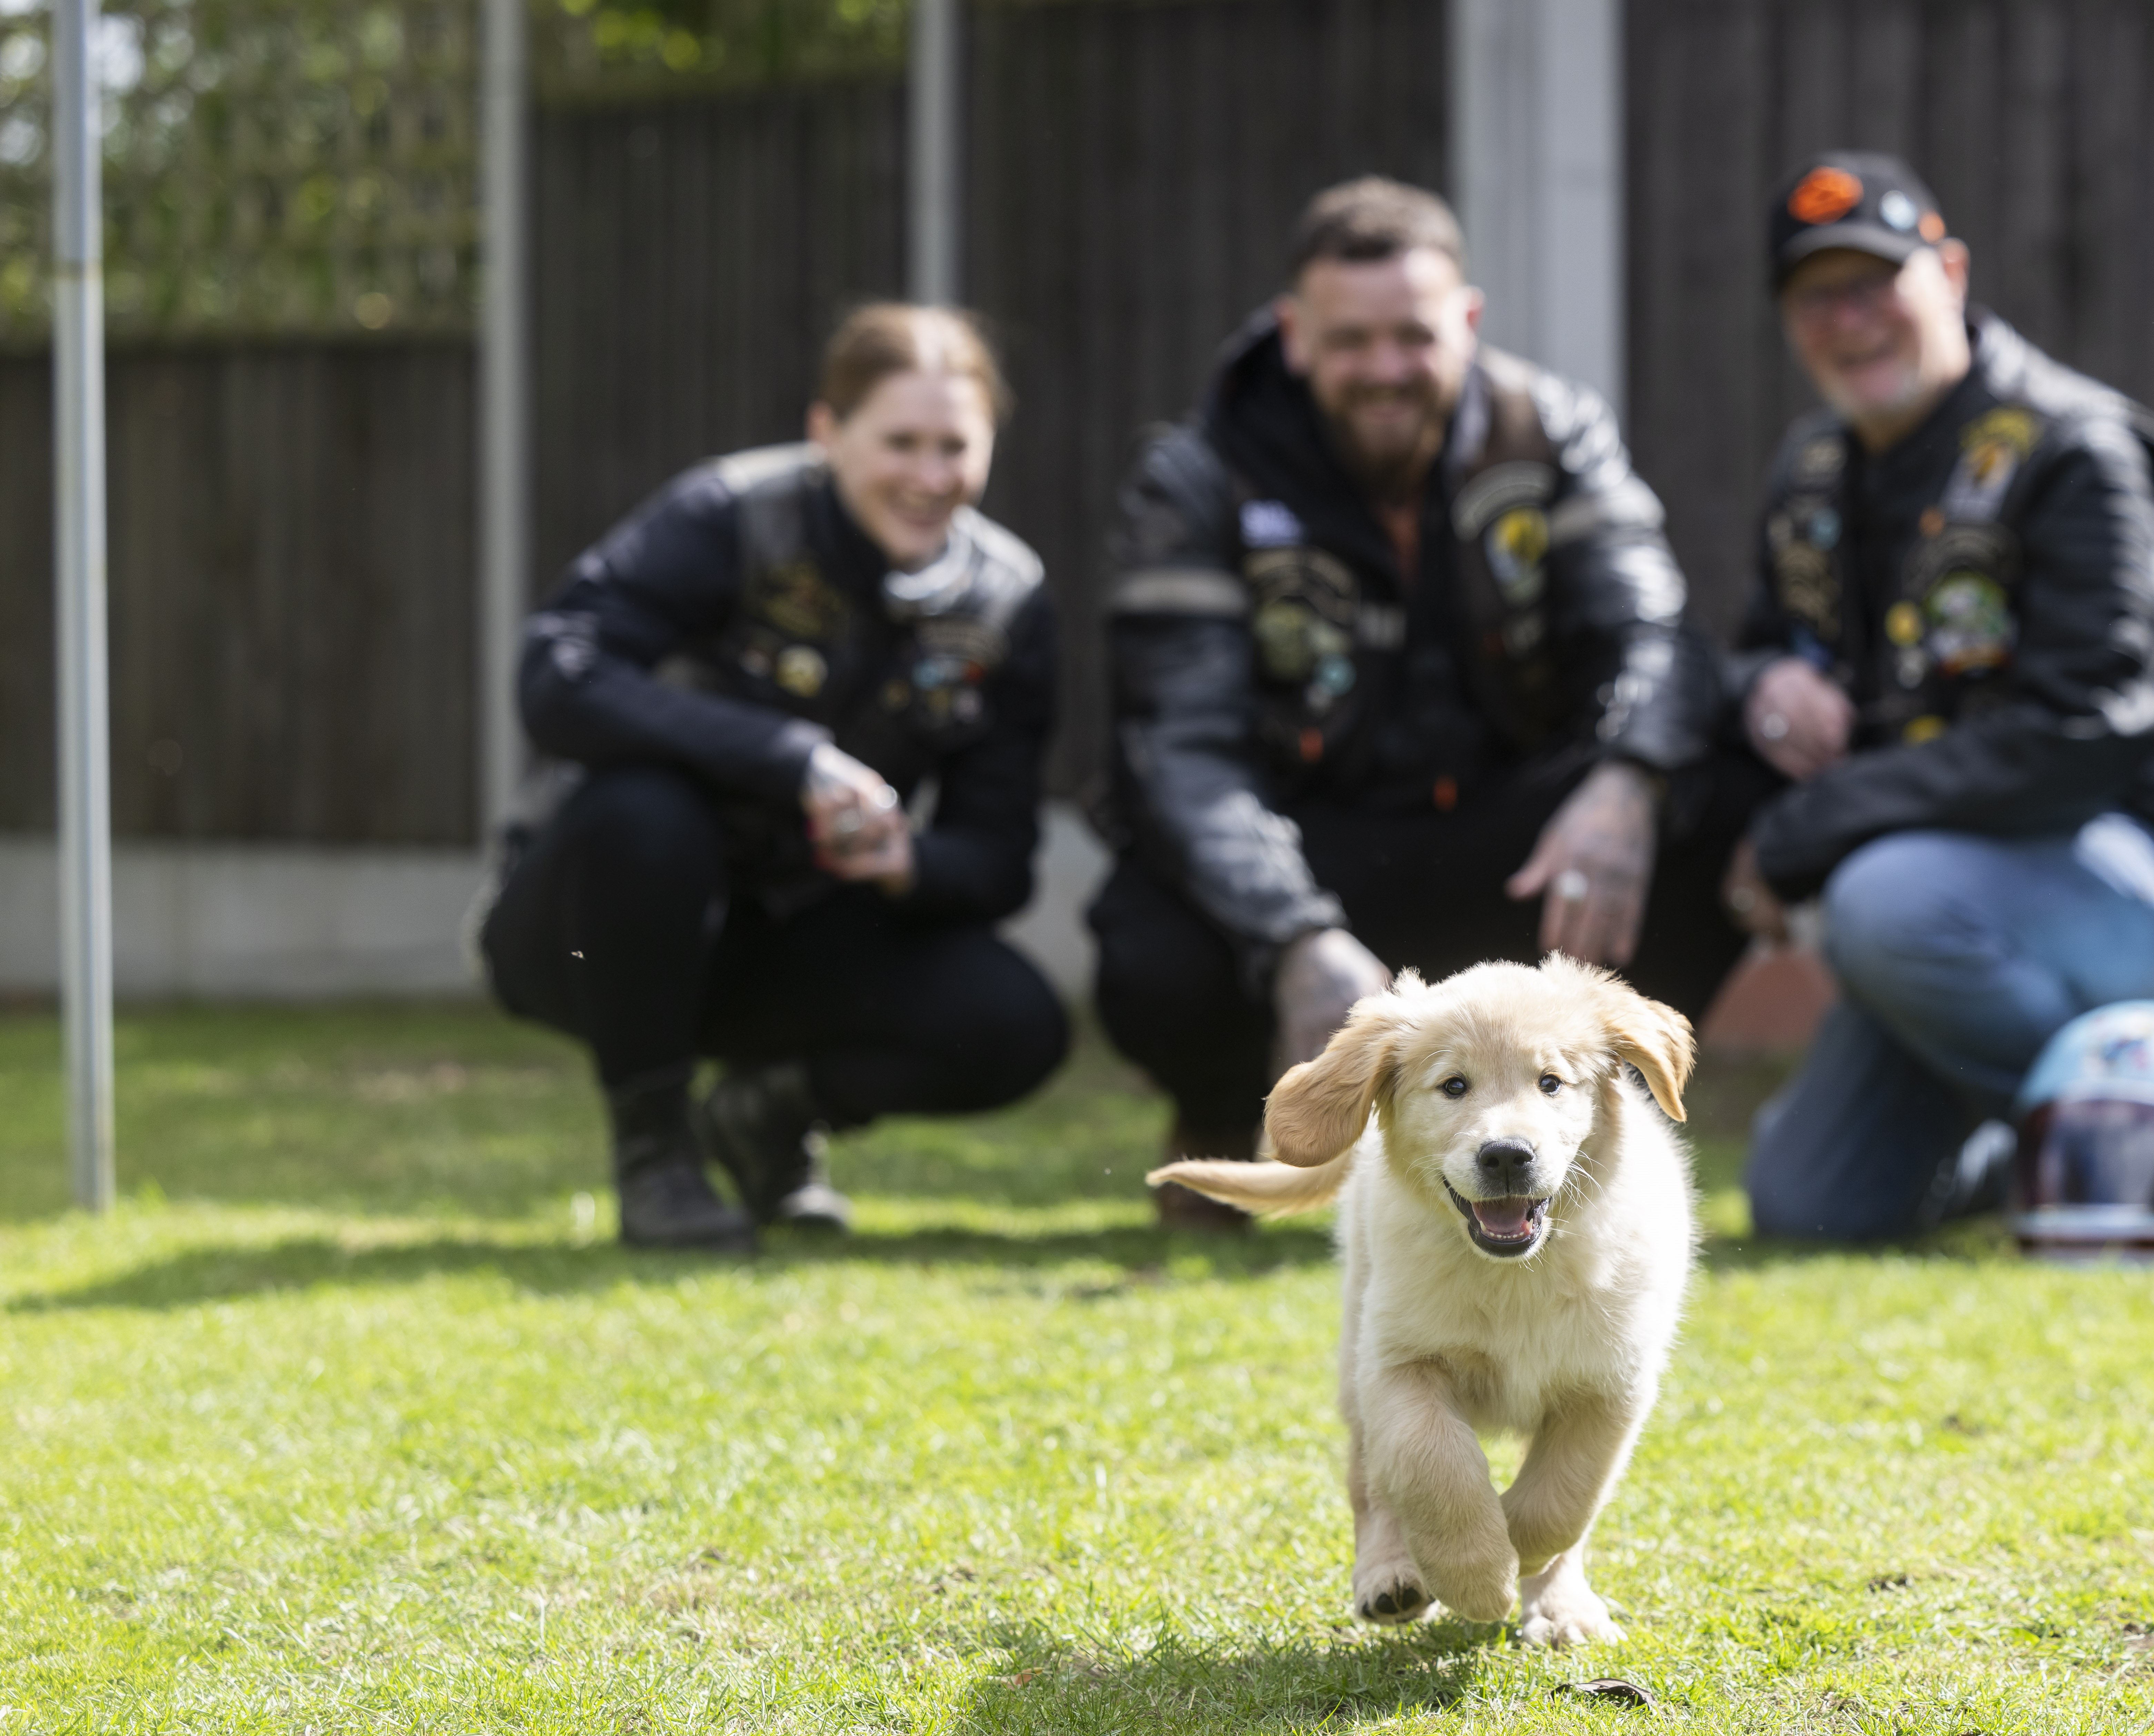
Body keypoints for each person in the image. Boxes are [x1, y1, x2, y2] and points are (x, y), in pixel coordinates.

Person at [1091, 177, 1772, 1223]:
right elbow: (1180, 754)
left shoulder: (1550, 431)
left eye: (1412, 336)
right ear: (1296, 335)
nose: (1385, 371)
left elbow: (1656, 636)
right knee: (1151, 935)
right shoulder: (1195, 478)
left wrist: (1626, 786)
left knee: (1713, 794)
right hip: (1306, 845)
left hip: (1513, 847)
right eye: (1350, 340)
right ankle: (1234, 1112)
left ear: (1467, 319)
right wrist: (1294, 935)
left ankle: (1562, 1125)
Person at [1720, 153, 2154, 1241]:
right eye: (1817, 297)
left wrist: (1813, 825)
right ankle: (2037, 1150)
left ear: (1948, 273)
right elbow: (1763, 644)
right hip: (1952, 880)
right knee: (1805, 1203)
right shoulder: (1812, 472)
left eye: (1876, 283)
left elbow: (2087, 732)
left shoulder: (2080, 451)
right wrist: (1767, 686)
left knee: (1878, 901)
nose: (1850, 321)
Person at [481, 304, 1068, 1251]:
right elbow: (557, 673)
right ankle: (657, 1154)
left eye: (955, 447)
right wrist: (789, 758)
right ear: (826, 432)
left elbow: (999, 859)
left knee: (1017, 1023)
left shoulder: (1006, 599)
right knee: (648, 815)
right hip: (598, 927)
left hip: (798, 935)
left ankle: (765, 1119)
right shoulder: (728, 516)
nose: (928, 478)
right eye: (900, 443)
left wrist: (902, 862)